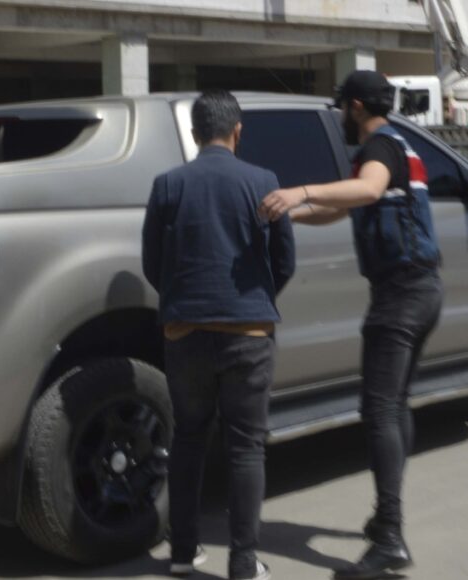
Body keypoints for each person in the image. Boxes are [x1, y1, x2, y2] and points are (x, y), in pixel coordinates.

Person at [258, 70, 443, 580]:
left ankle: (389, 536)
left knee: (378, 410)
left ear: (356, 106)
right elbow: (346, 206)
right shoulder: (401, 145)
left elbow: (367, 190)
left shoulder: (379, 150)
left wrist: (298, 189)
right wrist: (294, 212)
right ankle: (387, 518)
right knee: (395, 405)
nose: (340, 116)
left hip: (401, 297)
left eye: (343, 107)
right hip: (424, 290)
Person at [142, 90, 296, 580]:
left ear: (193, 134)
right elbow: (284, 261)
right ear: (238, 131)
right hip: (248, 332)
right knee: (246, 446)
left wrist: (182, 300)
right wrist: (254, 297)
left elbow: (152, 263)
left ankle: (183, 555)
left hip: (185, 333)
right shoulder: (264, 183)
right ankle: (244, 564)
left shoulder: (168, 185)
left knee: (188, 438)